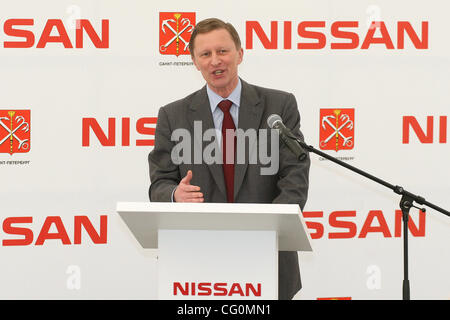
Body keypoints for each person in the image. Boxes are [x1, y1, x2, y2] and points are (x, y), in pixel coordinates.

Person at [148, 18, 310, 300]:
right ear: (194, 62)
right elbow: (160, 183)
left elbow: (295, 173)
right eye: (205, 54)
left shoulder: (279, 105)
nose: (215, 61)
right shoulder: (173, 115)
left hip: (268, 256)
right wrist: (175, 194)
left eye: (222, 51)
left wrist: (271, 229)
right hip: (197, 263)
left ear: (240, 53)